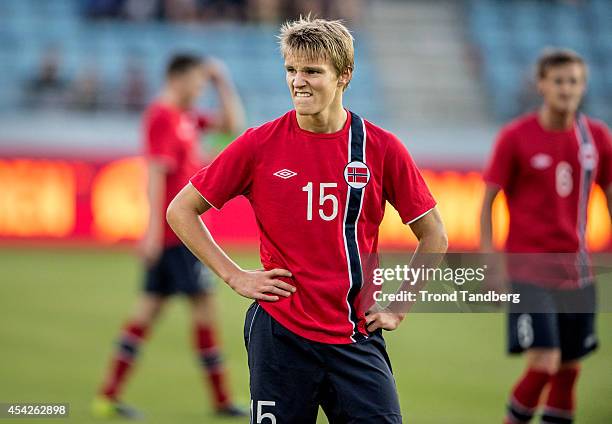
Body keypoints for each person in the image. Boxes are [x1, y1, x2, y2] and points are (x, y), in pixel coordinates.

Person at [167, 16, 448, 423]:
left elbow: (434, 234)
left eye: (313, 71)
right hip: (280, 335)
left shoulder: (381, 148)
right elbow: (181, 209)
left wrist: (399, 305)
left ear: (344, 76)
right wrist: (234, 275)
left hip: (356, 337)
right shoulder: (258, 144)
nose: (299, 81)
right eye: (292, 70)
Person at [92, 53, 246, 418]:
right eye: (197, 83)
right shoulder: (162, 116)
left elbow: (232, 124)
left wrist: (222, 80)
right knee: (205, 308)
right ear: (177, 79)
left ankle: (107, 395)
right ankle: (222, 399)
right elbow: (156, 174)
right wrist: (150, 232)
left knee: (147, 309)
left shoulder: (186, 117)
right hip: (179, 235)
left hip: (173, 235)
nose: (200, 90)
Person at [480, 49, 612, 424]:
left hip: (578, 272)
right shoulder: (516, 137)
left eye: (573, 81)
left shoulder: (597, 138)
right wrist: (491, 263)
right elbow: (487, 202)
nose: (566, 88)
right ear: (542, 85)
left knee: (569, 370)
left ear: (583, 85)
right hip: (529, 271)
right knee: (544, 363)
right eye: (558, 81)